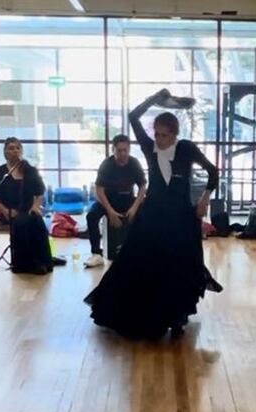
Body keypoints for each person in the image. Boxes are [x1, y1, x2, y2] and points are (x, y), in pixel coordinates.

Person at [84, 88, 221, 339]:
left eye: (164, 135)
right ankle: (144, 312)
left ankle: (177, 315)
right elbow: (133, 116)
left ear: (174, 134)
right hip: (153, 216)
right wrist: (156, 98)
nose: (159, 139)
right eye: (156, 134)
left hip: (181, 217)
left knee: (180, 266)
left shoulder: (186, 149)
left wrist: (205, 199)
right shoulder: (149, 148)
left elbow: (213, 172)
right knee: (140, 261)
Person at [0, 137, 55, 275]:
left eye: (18, 148)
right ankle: (27, 264)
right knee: (23, 222)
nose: (15, 151)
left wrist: (35, 206)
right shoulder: (0, 172)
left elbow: (40, 192)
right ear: (5, 152)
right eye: (11, 148)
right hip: (9, 211)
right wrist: (5, 211)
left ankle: (43, 260)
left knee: (37, 221)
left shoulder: (30, 170)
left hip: (29, 209)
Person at [84, 134, 147, 267]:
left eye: (125, 150)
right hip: (108, 200)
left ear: (129, 150)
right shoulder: (107, 165)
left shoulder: (134, 163)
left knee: (147, 212)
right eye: (119, 150)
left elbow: (142, 187)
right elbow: (99, 190)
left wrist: (134, 208)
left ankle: (141, 250)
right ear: (113, 150)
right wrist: (110, 211)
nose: (123, 154)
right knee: (91, 215)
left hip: (128, 199)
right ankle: (96, 254)